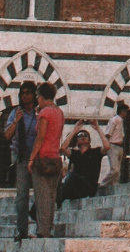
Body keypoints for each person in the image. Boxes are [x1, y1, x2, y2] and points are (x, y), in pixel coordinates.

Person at [28, 81, 64, 239]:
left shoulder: (45, 113)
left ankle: (43, 230)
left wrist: (31, 158)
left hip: (42, 158)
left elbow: (40, 137)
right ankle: (48, 228)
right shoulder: (59, 112)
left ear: (41, 97)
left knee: (41, 196)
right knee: (51, 196)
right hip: (55, 158)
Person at [4, 81, 38, 240]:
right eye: (22, 93)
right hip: (22, 157)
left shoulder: (39, 113)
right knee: (22, 195)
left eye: (28, 92)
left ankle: (41, 227)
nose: (25, 96)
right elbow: (7, 136)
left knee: (40, 193)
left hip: (37, 156)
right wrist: (16, 121)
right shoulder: (15, 113)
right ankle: (22, 231)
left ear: (34, 94)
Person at [56, 129, 103, 216]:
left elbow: (107, 147)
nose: (82, 137)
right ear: (76, 142)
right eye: (79, 136)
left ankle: (58, 203)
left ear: (89, 141)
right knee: (56, 187)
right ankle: (34, 213)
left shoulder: (96, 152)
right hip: (76, 188)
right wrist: (75, 129)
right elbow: (62, 148)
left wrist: (97, 128)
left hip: (88, 187)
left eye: (85, 136)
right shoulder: (74, 153)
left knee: (71, 175)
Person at [101, 103, 128, 189]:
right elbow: (108, 134)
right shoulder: (114, 120)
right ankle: (102, 184)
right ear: (122, 112)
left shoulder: (120, 121)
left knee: (117, 172)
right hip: (113, 146)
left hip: (119, 147)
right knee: (115, 170)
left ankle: (114, 187)